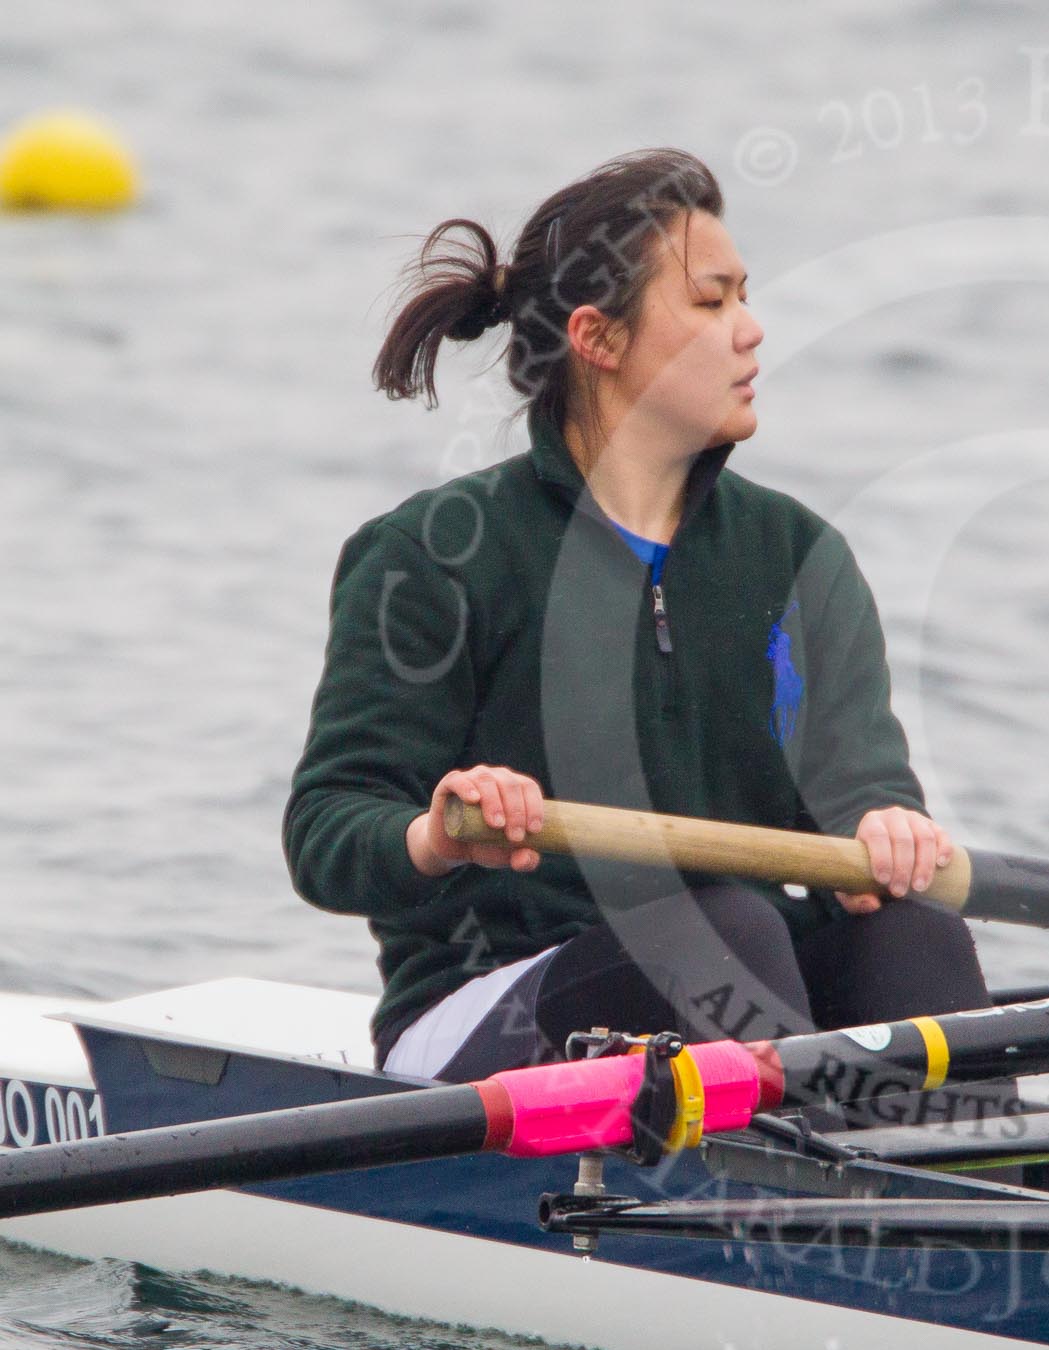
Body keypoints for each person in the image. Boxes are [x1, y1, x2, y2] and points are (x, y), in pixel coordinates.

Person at [284, 149, 990, 1093]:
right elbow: (327, 828)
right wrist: (440, 834)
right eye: (712, 302)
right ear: (599, 339)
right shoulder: (435, 555)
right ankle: (805, 1191)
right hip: (483, 1014)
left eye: (746, 297)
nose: (751, 331)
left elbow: (858, 787)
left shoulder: (799, 561)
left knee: (915, 934)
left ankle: (965, 1201)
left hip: (731, 1003)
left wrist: (885, 832)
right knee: (723, 928)